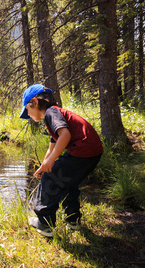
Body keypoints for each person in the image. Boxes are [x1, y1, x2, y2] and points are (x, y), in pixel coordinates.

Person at [20, 84, 103, 237]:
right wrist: (44, 165)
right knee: (67, 182)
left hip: (82, 151)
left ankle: (45, 224)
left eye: (27, 110)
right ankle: (73, 219)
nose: (29, 115)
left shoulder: (51, 113)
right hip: (92, 152)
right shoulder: (54, 116)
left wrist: (50, 165)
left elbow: (65, 136)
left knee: (50, 178)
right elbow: (52, 147)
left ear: (35, 102)